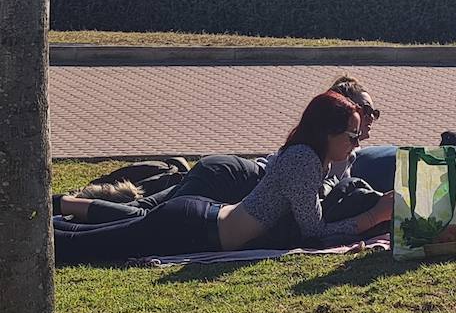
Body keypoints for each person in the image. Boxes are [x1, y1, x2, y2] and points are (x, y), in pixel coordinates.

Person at [53, 92, 393, 264]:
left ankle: (42, 218)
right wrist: (373, 216)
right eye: (352, 136)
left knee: (89, 237)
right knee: (80, 247)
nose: (357, 144)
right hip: (194, 228)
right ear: (327, 133)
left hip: (199, 219)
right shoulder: (305, 160)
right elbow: (313, 231)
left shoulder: (306, 155)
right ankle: (24, 228)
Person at [55, 74, 386, 225]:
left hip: (231, 175)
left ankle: (66, 206)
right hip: (234, 179)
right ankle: (64, 206)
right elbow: (313, 206)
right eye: (365, 112)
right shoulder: (314, 153)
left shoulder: (338, 150)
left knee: (145, 211)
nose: (369, 121)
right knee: (144, 215)